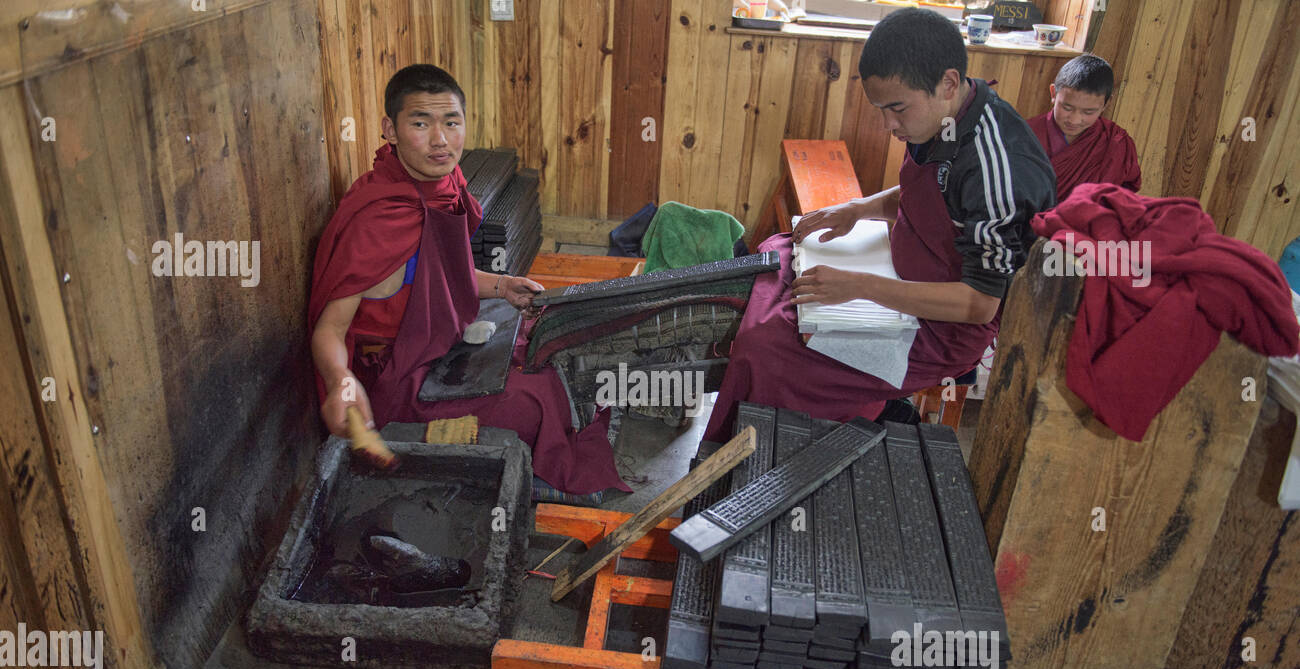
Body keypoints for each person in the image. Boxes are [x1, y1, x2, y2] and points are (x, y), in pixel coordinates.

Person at [703, 8, 1057, 440]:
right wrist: (855, 209)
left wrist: (861, 287)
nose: (890, 125)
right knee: (780, 249)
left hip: (940, 326)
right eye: (881, 110)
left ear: (947, 82)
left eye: (897, 109)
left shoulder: (997, 169)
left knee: (768, 349)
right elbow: (923, 196)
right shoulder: (941, 118)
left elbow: (979, 304)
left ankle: (782, 451)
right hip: (896, 272)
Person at [308, 64, 627, 495]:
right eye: (420, 123)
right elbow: (330, 327)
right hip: (396, 380)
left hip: (441, 343)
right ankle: (511, 477)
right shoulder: (379, 217)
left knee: (549, 348)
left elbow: (439, 276)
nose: (440, 140)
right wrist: (340, 381)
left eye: (451, 123)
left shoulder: (444, 181)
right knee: (529, 402)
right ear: (391, 129)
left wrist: (503, 285)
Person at [1027, 54, 1141, 201]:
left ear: (1106, 104)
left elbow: (1125, 193)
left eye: (1088, 112)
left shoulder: (1116, 142)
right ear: (1053, 93)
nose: (1074, 120)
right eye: (1067, 107)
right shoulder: (1024, 135)